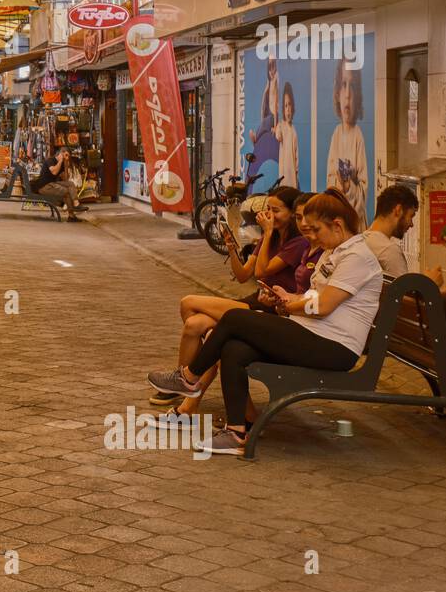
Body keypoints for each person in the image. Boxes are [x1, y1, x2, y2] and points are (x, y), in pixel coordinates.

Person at [149, 188, 384, 456]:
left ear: (338, 225)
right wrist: (289, 297)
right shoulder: (336, 252)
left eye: (317, 230)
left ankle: (189, 377)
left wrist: (291, 305)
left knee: (235, 318)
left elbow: (324, 305)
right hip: (312, 333)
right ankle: (237, 432)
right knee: (234, 348)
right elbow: (315, 297)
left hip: (334, 347)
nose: (313, 237)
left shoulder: (356, 257)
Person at [151, 188, 313, 427]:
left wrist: (267, 234)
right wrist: (231, 248)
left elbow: (261, 272)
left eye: (276, 210)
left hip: (271, 309)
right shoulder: (273, 237)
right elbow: (243, 275)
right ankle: (187, 392)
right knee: (195, 323)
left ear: (290, 214)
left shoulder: (295, 243)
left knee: (190, 305)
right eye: (267, 209)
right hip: (257, 300)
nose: (268, 215)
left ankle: (185, 386)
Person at [326, 59, 369, 229]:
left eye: (352, 86)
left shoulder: (358, 135)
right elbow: (329, 180)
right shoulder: (336, 134)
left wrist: (348, 186)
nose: (347, 94)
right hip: (337, 221)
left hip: (354, 224)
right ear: (337, 93)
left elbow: (363, 192)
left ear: (357, 95)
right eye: (343, 85)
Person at [362, 183, 415, 278]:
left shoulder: (362, 240)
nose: (411, 224)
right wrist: (430, 282)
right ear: (398, 210)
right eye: (411, 216)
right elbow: (404, 292)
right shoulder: (389, 251)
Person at [32, 147, 85, 221]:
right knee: (66, 191)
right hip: (43, 186)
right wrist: (60, 161)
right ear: (61, 153)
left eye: (68, 156)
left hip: (52, 184)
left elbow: (66, 179)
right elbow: (54, 172)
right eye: (66, 155)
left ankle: (76, 204)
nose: (67, 157)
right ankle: (71, 216)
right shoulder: (50, 160)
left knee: (70, 184)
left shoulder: (62, 164)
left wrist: (66, 164)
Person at [275, 82, 300, 188]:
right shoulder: (281, 126)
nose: (288, 109)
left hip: (292, 175)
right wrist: (277, 130)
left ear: (293, 107)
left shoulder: (294, 131)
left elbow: (296, 155)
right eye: (285, 106)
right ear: (283, 110)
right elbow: (278, 136)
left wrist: (296, 172)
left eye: (289, 104)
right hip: (283, 174)